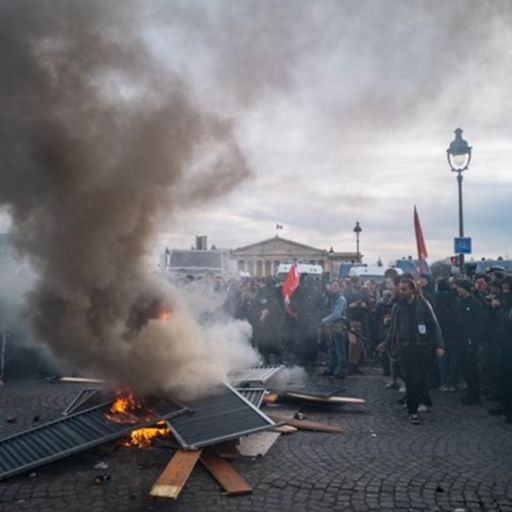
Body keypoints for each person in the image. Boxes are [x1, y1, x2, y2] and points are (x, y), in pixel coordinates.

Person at [378, 278, 444, 425]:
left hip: (423, 347)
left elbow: (434, 325)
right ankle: (417, 406)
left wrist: (440, 345)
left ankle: (416, 406)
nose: (401, 292)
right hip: (405, 348)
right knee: (411, 379)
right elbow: (394, 328)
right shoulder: (397, 307)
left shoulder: (423, 305)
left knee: (418, 378)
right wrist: (386, 343)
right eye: (400, 289)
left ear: (412, 290)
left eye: (404, 289)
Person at [453, 278, 485, 405]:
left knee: (471, 367)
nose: (458, 290)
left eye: (461, 288)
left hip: (470, 339)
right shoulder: (459, 303)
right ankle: (470, 392)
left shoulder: (475, 303)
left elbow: (480, 322)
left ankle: (474, 393)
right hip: (460, 339)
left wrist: (475, 337)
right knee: (465, 367)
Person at [321, 279, 348, 379]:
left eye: (336, 285)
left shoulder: (341, 299)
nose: (333, 287)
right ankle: (331, 369)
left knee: (339, 350)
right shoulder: (332, 298)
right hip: (332, 327)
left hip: (339, 326)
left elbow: (336, 315)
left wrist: (323, 320)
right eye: (332, 285)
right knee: (331, 349)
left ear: (340, 287)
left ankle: (340, 371)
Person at [343, 276, 369, 375]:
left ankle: (355, 365)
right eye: (354, 282)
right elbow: (344, 305)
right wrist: (351, 305)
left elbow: (367, 306)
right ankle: (351, 364)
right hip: (351, 319)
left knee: (358, 345)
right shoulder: (346, 291)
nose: (356, 284)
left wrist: (363, 305)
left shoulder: (363, 292)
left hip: (361, 319)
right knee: (352, 343)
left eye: (357, 282)